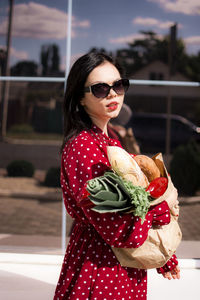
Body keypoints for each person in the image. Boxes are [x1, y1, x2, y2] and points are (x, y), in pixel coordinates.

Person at [54, 52, 180, 300]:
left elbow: (133, 206)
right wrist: (159, 211)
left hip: (119, 264)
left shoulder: (108, 140)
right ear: (80, 98)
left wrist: (164, 253)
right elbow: (118, 228)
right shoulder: (83, 147)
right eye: (100, 89)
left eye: (118, 85)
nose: (113, 94)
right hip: (101, 268)